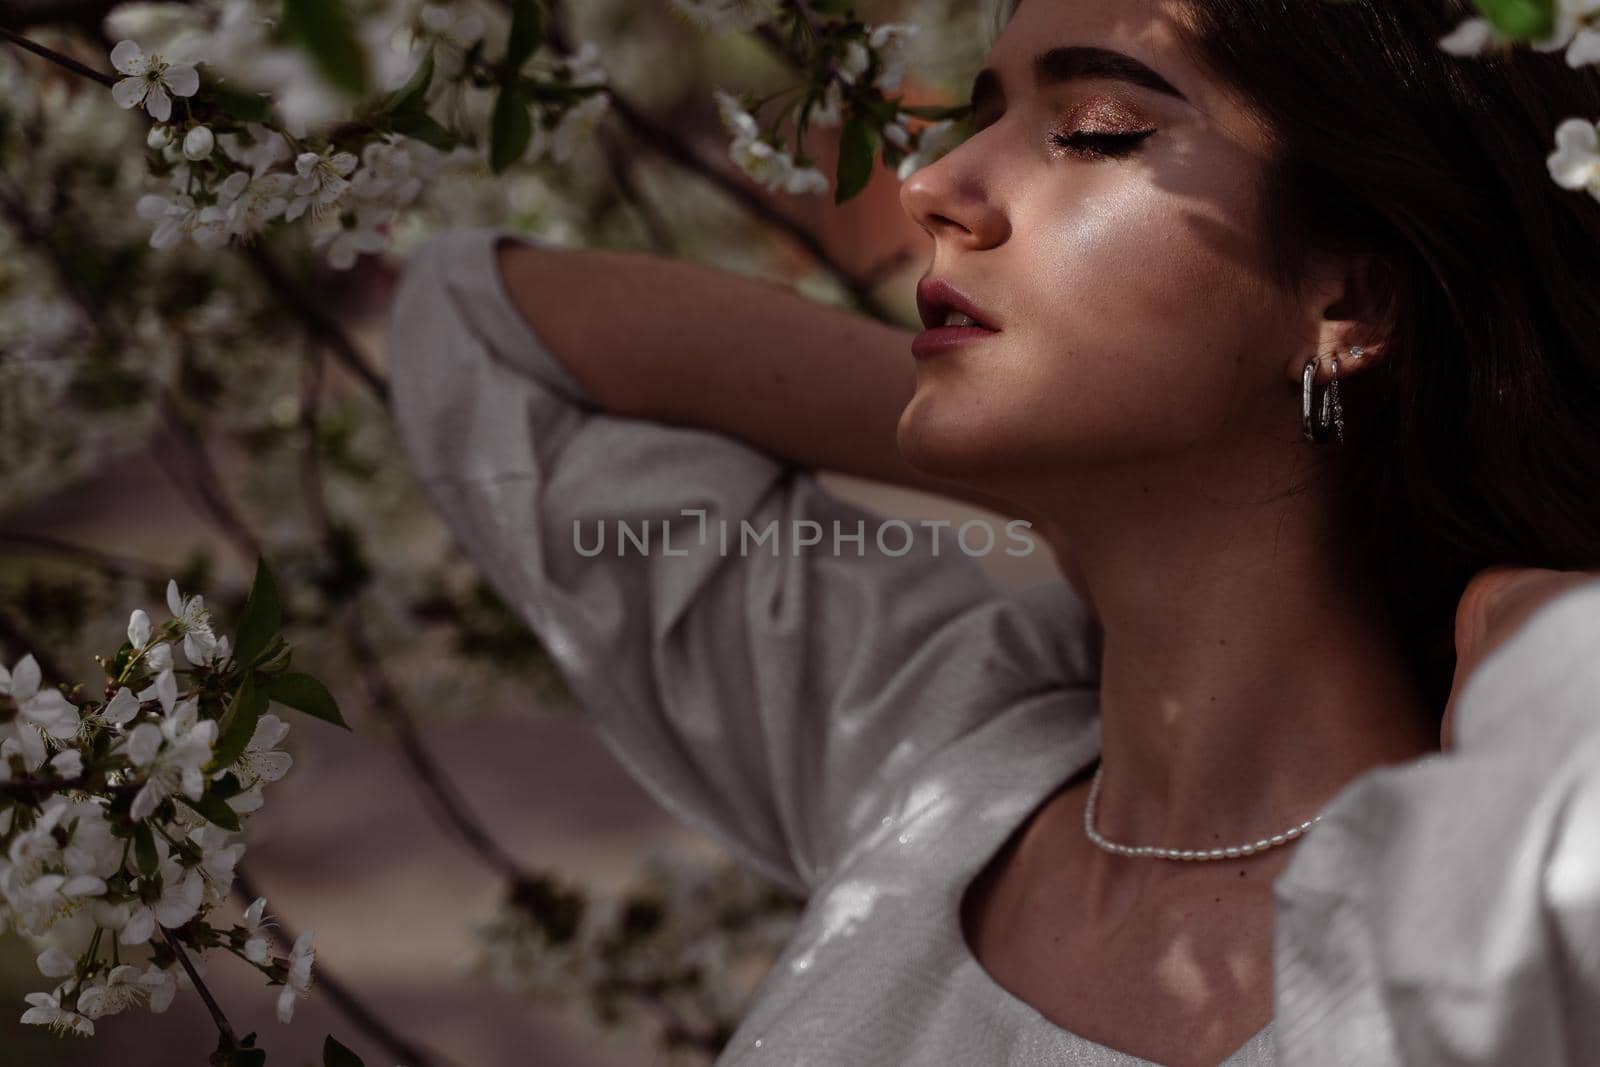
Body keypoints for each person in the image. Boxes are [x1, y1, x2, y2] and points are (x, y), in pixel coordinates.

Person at [384, 0, 1600, 1063]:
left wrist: (1540, 643)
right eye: (981, 115)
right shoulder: (932, 760)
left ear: (1351, 296)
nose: (931, 185)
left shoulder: (1500, 891)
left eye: (1095, 131)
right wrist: (1047, 464)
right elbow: (484, 338)